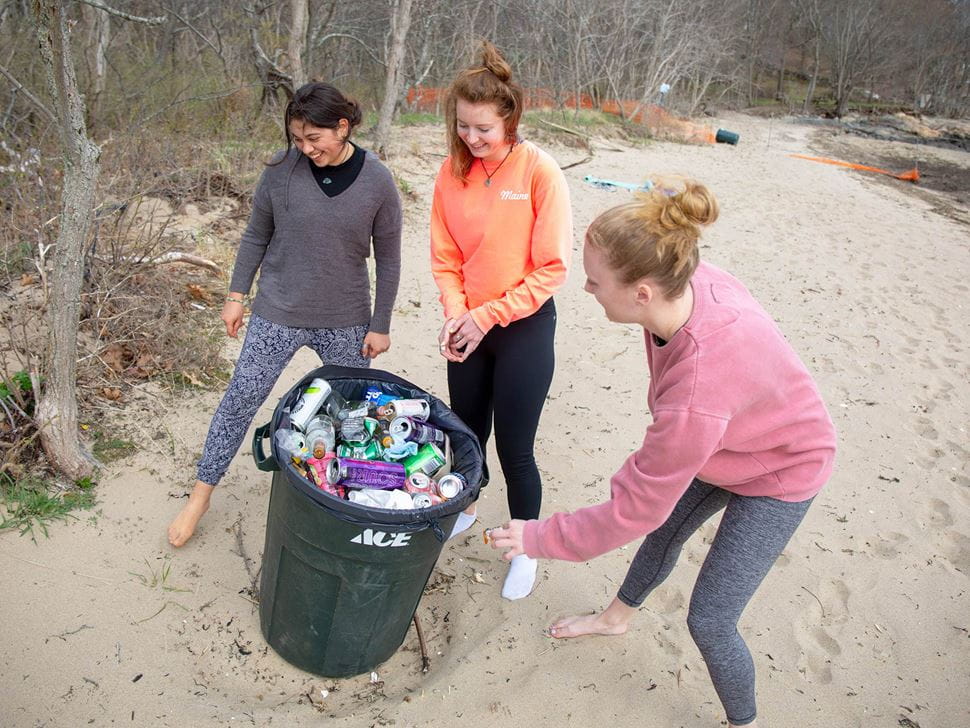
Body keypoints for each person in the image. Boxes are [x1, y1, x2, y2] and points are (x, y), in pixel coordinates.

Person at [488, 180, 836, 726]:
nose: (587, 289)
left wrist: (538, 538)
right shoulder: (686, 284)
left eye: (596, 282)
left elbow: (633, 507)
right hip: (729, 436)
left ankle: (743, 721)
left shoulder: (697, 393)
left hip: (785, 466)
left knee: (711, 619)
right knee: (664, 535)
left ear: (642, 293)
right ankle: (614, 619)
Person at [167, 82, 402, 547]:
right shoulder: (279, 171)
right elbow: (256, 234)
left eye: (313, 138)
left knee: (348, 415)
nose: (304, 148)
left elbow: (390, 258)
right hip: (278, 309)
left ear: (342, 126)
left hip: (346, 318)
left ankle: (341, 499)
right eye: (297, 139)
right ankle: (200, 494)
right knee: (240, 400)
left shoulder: (378, 181)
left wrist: (380, 324)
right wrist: (236, 295)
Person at [430, 42, 573, 600]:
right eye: (463, 126)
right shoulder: (451, 171)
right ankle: (465, 502)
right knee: (464, 431)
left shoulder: (539, 171)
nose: (472, 138)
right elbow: (445, 257)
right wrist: (456, 313)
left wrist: (489, 314)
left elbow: (552, 269)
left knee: (516, 446)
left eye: (484, 129)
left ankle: (526, 545)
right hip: (470, 322)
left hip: (522, 326)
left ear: (510, 119)